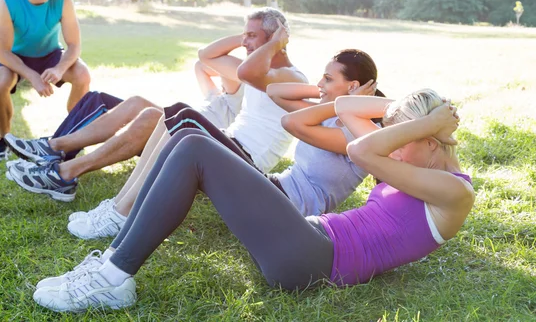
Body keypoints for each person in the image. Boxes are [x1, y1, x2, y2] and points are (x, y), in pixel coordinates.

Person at [31, 88, 475, 312]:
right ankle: (113, 256)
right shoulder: (415, 165)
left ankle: (111, 278)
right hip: (307, 238)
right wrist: (412, 111)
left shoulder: (454, 192)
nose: (393, 148)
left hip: (314, 260)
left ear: (434, 141)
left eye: (407, 138)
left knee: (196, 148)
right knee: (186, 133)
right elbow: (345, 107)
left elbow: (361, 149)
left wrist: (425, 123)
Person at [66, 49, 381, 240]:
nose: (320, 85)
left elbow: (291, 121)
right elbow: (277, 93)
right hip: (273, 188)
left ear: (352, 86)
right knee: (177, 120)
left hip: (286, 208)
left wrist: (343, 103)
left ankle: (120, 214)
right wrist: (333, 96)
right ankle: (120, 208)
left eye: (327, 78)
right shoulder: (330, 117)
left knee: (186, 119)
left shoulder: (359, 133)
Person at [5, 7, 306, 205]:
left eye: (252, 36)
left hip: (244, 162)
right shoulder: (259, 72)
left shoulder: (285, 76)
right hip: (229, 146)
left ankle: (61, 168)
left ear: (276, 39)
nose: (246, 42)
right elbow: (206, 56)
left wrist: (274, 42)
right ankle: (61, 165)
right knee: (149, 113)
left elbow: (245, 73)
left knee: (151, 114)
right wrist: (247, 38)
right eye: (246, 36)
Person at [3, 60, 244, 201]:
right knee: (106, 99)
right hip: (179, 128)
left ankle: (54, 154)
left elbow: (211, 58)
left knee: (136, 107)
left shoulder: (236, 99)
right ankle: (53, 147)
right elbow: (202, 64)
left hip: (188, 137)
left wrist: (249, 45)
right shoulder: (216, 96)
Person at [0, 0, 91, 162]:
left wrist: (59, 68)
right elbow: (3, 52)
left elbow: (73, 45)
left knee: (83, 75)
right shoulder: (7, 1)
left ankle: (74, 137)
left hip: (50, 54)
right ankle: (4, 140)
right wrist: (33, 77)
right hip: (16, 57)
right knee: (0, 84)